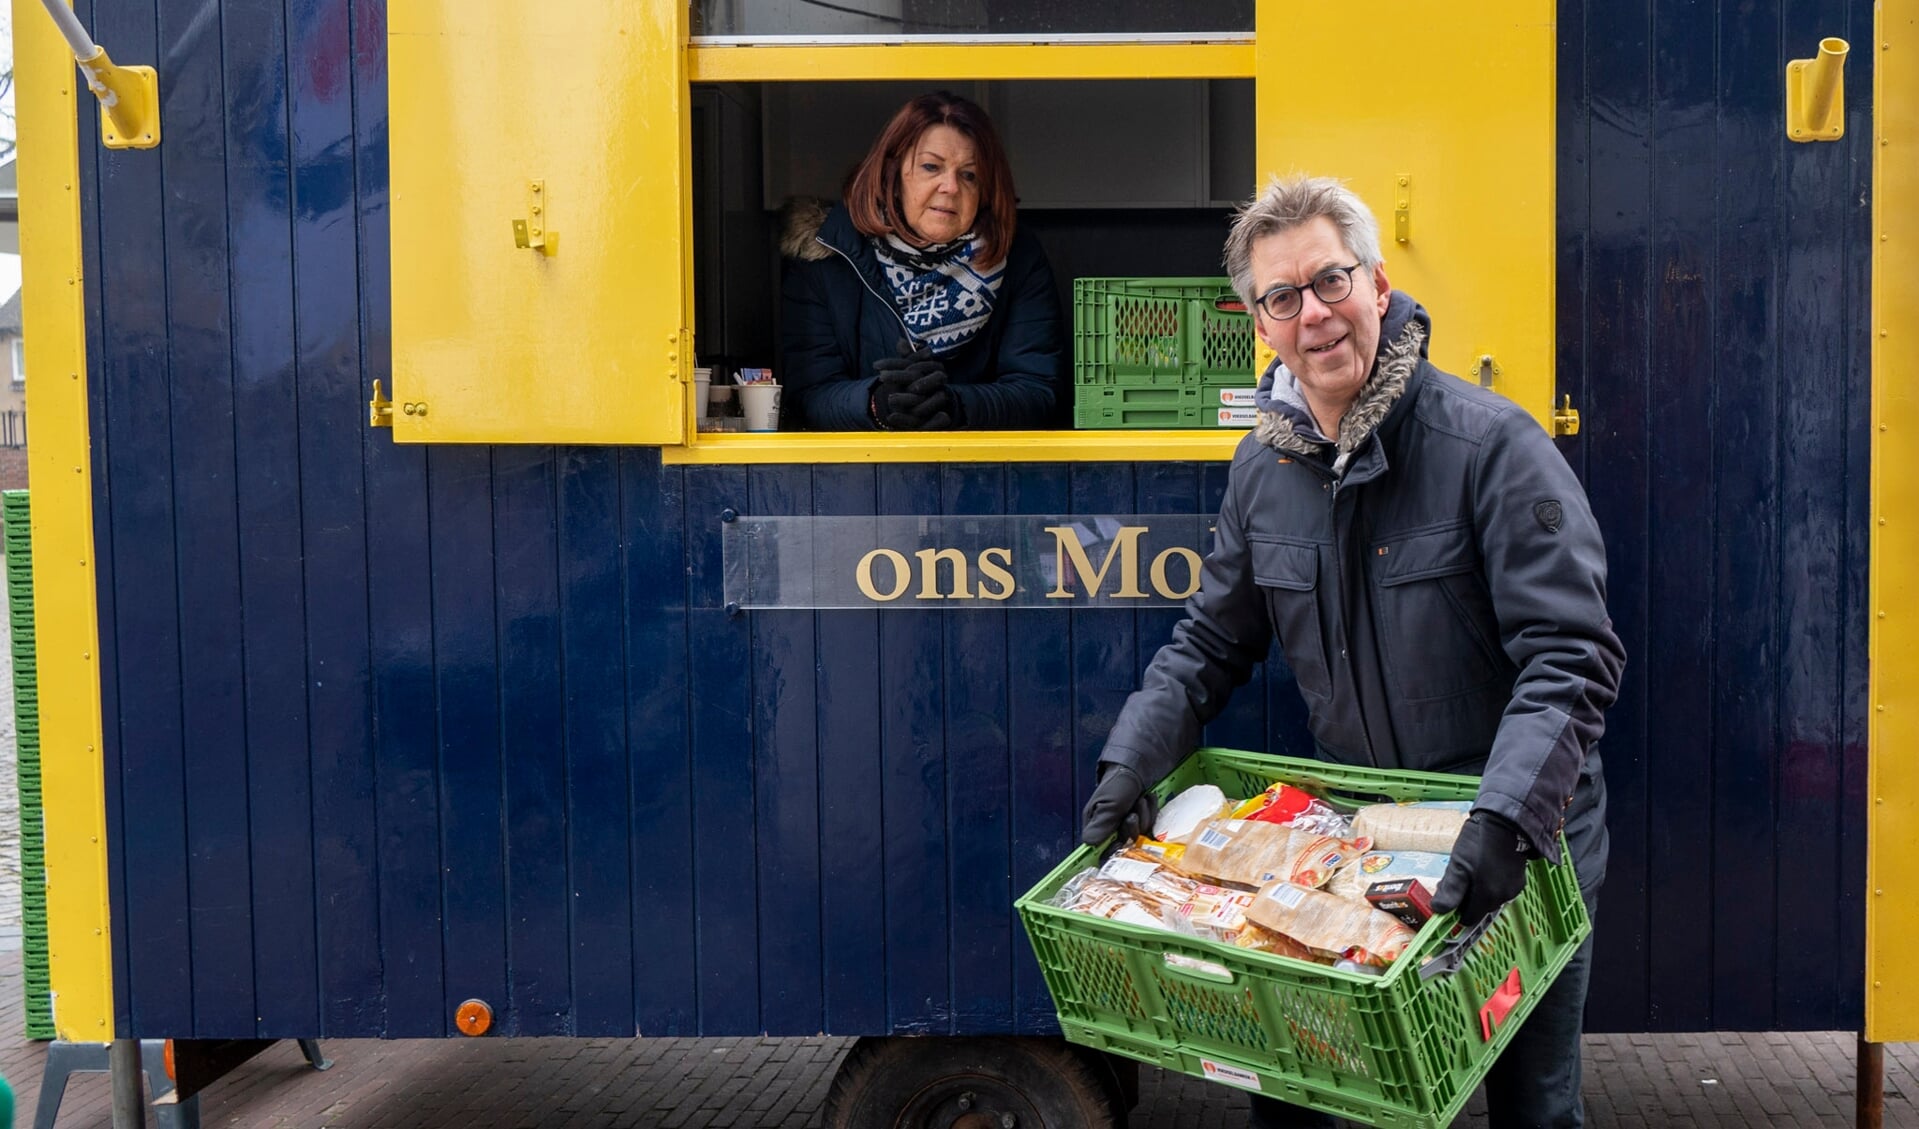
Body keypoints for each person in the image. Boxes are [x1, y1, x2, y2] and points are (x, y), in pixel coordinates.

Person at [1078, 175, 1626, 1129]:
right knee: (1307, 1100)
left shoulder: (1492, 447)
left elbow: (1570, 657)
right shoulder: (1264, 468)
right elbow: (1211, 637)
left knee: (1534, 1108)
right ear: (1258, 322)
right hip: (1358, 848)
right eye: (1280, 297)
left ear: (1377, 285)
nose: (1313, 315)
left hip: (1516, 853)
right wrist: (1133, 758)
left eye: (1329, 282)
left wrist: (1503, 820)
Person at [779, 91, 1065, 431]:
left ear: (985, 190)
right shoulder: (826, 253)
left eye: (969, 175)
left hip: (981, 476)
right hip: (859, 478)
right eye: (932, 166)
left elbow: (1037, 391)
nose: (950, 187)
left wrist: (953, 405)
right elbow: (808, 394)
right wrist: (876, 403)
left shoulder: (1017, 256)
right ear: (894, 175)